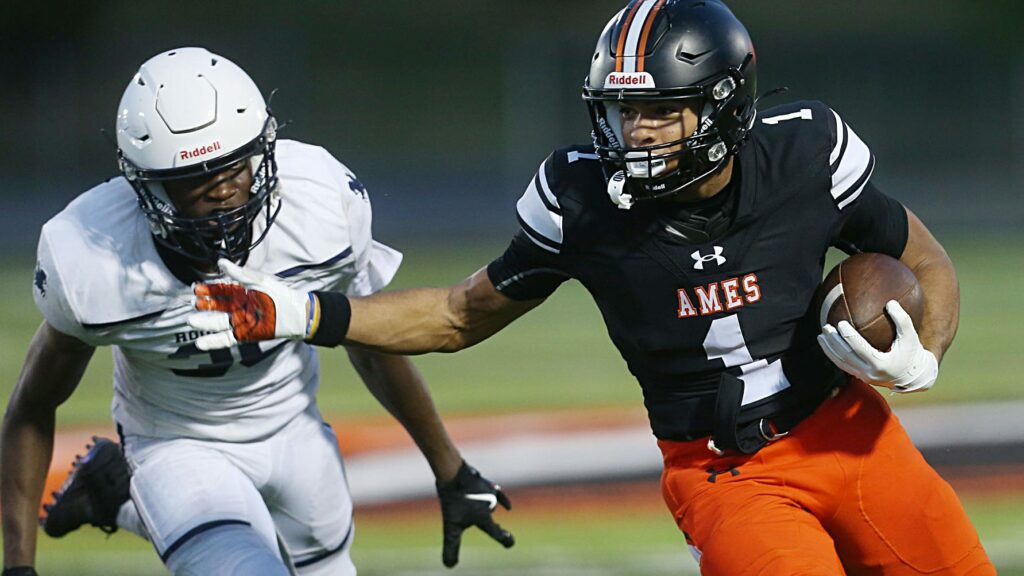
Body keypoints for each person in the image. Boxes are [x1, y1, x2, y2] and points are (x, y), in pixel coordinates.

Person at [186, 1, 995, 574]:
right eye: (620, 113)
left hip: (849, 432)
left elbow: (925, 260)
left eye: (659, 114)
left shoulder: (804, 153)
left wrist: (927, 353)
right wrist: (300, 311)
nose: (632, 134)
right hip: (726, 473)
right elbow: (459, 312)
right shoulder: (582, 202)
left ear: (723, 107)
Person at [0, 47, 513, 576]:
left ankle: (115, 494)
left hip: (296, 429)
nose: (224, 189)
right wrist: (17, 566)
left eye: (234, 166)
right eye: (195, 176)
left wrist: (450, 470)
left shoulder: (321, 205)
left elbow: (371, 343)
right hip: (177, 444)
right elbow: (32, 405)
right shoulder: (89, 259)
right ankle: (137, 490)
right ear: (146, 186)